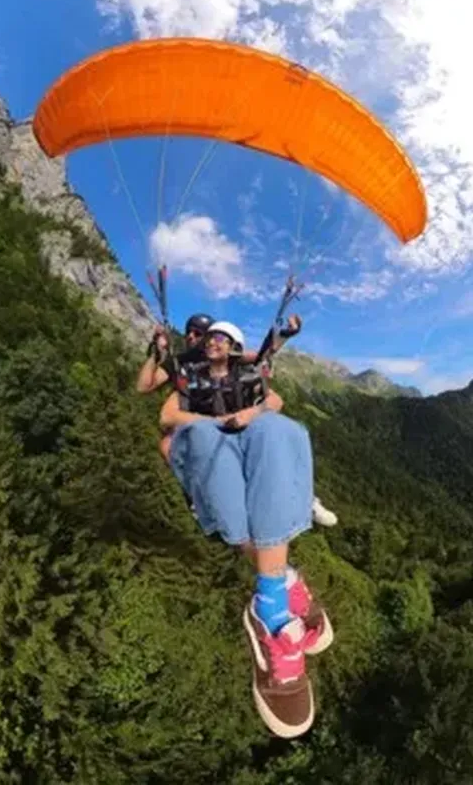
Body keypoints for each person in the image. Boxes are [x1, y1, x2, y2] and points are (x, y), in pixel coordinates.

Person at [160, 321, 334, 738]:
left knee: (273, 432)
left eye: (221, 340)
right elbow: (168, 415)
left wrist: (248, 414)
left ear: (233, 348)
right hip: (212, 439)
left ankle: (273, 605)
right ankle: (281, 587)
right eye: (208, 339)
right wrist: (215, 419)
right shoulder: (191, 376)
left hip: (250, 433)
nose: (212, 344)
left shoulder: (246, 372)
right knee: (205, 447)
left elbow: (272, 390)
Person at [136, 313, 339, 526]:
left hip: (231, 413)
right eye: (189, 332)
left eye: (199, 333)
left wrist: (285, 334)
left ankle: (304, 498)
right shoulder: (180, 364)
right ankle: (200, 498)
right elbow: (144, 388)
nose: (191, 337)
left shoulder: (226, 358)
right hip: (203, 419)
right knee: (168, 443)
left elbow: (263, 354)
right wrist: (155, 353)